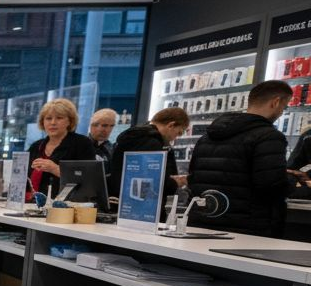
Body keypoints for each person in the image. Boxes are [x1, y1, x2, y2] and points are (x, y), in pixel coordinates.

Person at [188, 80, 294, 238]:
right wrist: (292, 182)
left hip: (204, 222)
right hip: (249, 228)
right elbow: (271, 185)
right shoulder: (269, 137)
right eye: (284, 107)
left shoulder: (207, 137)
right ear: (276, 102)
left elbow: (193, 178)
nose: (281, 113)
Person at [107, 106, 190, 203]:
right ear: (171, 125)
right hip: (141, 207)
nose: (176, 137)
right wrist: (176, 182)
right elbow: (152, 182)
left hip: (123, 201)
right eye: (179, 132)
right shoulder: (152, 142)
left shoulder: (136, 137)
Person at [26, 98, 95, 201]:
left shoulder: (82, 143)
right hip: (34, 204)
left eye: (59, 118)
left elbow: (88, 179)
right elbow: (23, 178)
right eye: (48, 118)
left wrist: (55, 169)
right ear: (42, 122)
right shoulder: (36, 146)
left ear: (70, 121)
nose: (53, 123)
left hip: (68, 207)